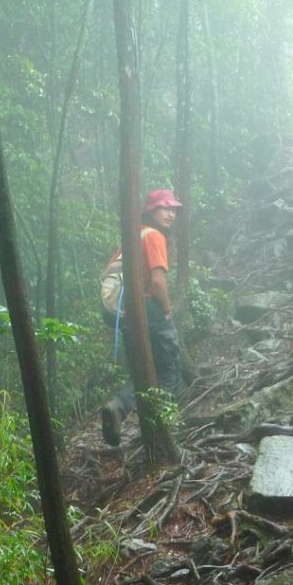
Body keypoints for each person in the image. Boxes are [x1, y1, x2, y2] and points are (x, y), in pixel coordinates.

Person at [101, 188, 183, 446]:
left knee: (144, 370)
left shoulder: (130, 238)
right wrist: (167, 310)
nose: (170, 214)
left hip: (126, 314)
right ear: (151, 211)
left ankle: (118, 406)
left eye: (173, 209)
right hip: (150, 309)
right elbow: (158, 281)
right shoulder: (154, 236)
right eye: (165, 208)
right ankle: (165, 431)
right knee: (169, 372)